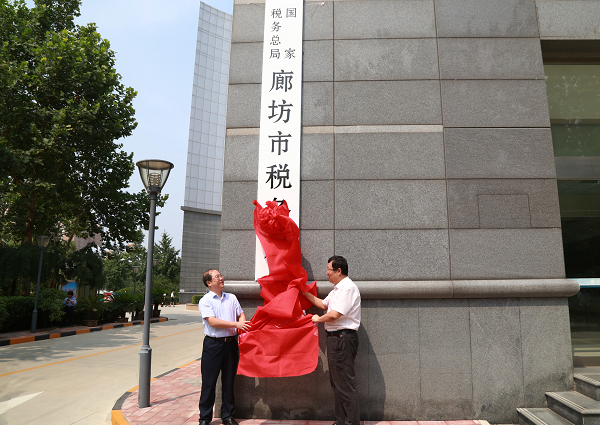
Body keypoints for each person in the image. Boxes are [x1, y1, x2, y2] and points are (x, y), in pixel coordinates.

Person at [302, 256, 361, 425]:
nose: (326, 273)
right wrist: (304, 292)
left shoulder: (348, 288)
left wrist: (316, 319)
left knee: (345, 383)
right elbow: (323, 304)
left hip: (343, 339)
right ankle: (341, 421)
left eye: (328, 270)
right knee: (337, 383)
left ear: (339, 271)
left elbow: (335, 314)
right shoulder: (337, 289)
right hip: (335, 340)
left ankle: (351, 422)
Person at [198, 270, 251, 425]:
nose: (221, 278)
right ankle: (205, 418)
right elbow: (213, 322)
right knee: (209, 382)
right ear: (209, 283)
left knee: (228, 381)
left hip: (230, 344)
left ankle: (227, 416)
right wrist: (236, 324)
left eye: (220, 276)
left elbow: (240, 314)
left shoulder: (231, 298)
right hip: (212, 345)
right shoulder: (205, 300)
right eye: (217, 277)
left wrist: (242, 323)